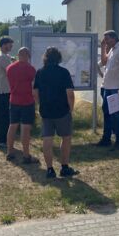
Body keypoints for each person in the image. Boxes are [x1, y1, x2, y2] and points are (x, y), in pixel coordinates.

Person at [33, 47, 79, 179]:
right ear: (58, 58)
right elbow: (70, 94)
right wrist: (71, 109)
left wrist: (39, 105)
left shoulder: (40, 72)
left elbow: (35, 93)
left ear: (45, 58)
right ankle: (64, 167)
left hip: (46, 111)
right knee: (66, 138)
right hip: (62, 110)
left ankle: (49, 169)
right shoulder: (64, 72)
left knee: (47, 140)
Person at [96, 30, 119, 150]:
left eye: (107, 39)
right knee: (107, 113)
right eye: (104, 40)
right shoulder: (111, 49)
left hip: (116, 88)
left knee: (117, 115)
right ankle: (106, 139)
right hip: (107, 87)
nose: (105, 41)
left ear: (113, 38)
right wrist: (103, 48)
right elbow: (104, 62)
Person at [5, 47, 39, 164]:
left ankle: (10, 152)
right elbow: (34, 86)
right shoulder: (31, 69)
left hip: (13, 100)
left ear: (19, 55)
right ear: (27, 56)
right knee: (25, 128)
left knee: (12, 125)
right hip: (27, 101)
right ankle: (26, 155)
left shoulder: (9, 68)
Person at [0, 36, 14, 149]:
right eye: (9, 44)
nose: (11, 46)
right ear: (4, 45)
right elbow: (11, 69)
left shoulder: (6, 56)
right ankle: (1, 140)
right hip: (3, 91)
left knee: (7, 116)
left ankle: (5, 139)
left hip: (6, 90)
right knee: (3, 116)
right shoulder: (2, 57)